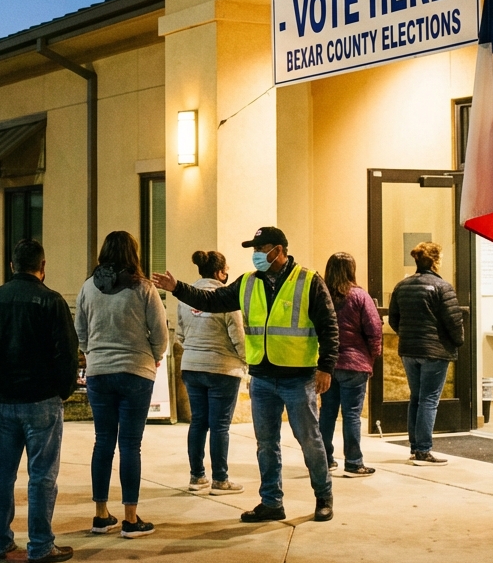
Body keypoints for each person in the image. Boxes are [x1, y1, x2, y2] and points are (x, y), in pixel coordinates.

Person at [156, 226, 339, 523]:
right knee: (266, 444)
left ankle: (323, 497)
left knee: (309, 439)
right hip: (263, 377)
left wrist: (326, 367)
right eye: (253, 249)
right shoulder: (248, 283)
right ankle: (271, 502)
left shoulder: (308, 281)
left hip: (298, 377)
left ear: (279, 250)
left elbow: (329, 326)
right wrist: (177, 287)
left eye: (261, 248)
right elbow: (212, 301)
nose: (256, 254)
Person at [0, 239, 77, 563]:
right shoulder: (51, 302)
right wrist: (63, 389)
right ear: (42, 267)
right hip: (42, 400)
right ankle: (41, 544)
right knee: (42, 475)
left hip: (4, 401)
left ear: (11, 266)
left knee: (2, 473)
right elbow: (67, 353)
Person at [76, 231, 167, 538]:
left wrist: (93, 353)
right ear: (133, 254)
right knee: (130, 444)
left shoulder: (89, 286)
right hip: (135, 372)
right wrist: (153, 356)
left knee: (103, 441)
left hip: (99, 373)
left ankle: (101, 515)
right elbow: (160, 331)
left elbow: (81, 329)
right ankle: (130, 518)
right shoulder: (143, 288)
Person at [175, 250, 246, 495]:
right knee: (219, 426)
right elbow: (238, 335)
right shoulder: (226, 298)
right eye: (226, 270)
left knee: (198, 423)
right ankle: (220, 480)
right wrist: (247, 361)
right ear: (219, 272)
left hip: (192, 366)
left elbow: (180, 334)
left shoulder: (186, 297)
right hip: (222, 369)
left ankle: (197, 477)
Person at [388, 241, 464, 467]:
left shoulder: (402, 286)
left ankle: (414, 447)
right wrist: (457, 341)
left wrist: (408, 334)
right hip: (434, 351)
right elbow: (453, 320)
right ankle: (423, 450)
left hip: (409, 350)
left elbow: (394, 319)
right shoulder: (442, 287)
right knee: (429, 400)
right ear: (435, 261)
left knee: (416, 397)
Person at [320, 252, 381, 477]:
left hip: (327, 363)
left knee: (327, 412)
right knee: (352, 414)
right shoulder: (359, 296)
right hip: (355, 363)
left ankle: (324, 459)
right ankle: (354, 463)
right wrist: (372, 357)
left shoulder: (321, 296)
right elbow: (374, 330)